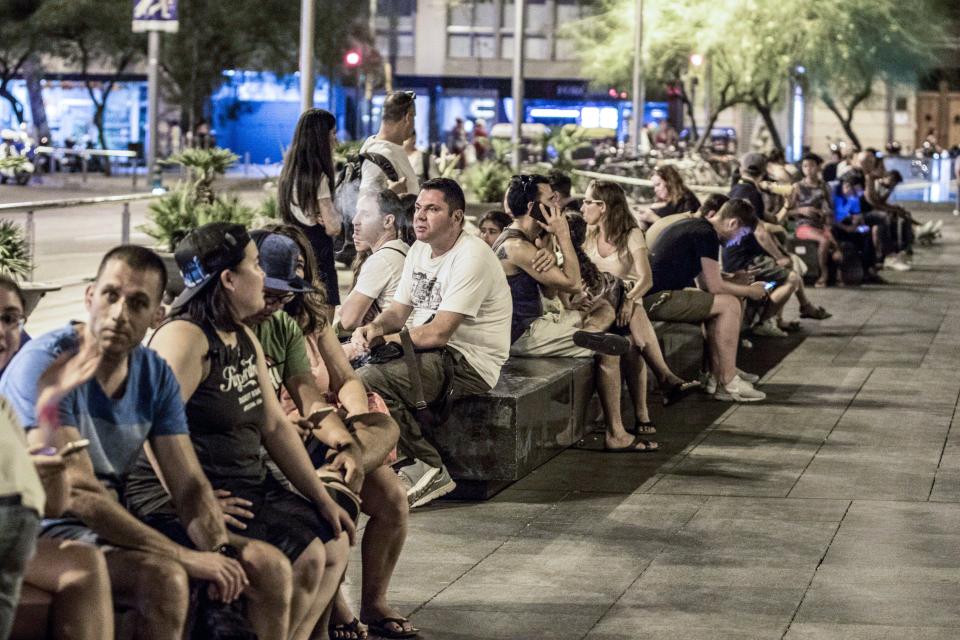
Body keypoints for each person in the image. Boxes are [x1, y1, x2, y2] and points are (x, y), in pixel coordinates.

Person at [0, 245, 298, 640]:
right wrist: (188, 557)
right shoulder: (47, 364)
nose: (119, 313)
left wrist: (219, 553)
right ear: (90, 297)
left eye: (137, 303)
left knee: (267, 566)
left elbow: (189, 485)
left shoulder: (153, 374)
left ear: (157, 315)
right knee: (165, 578)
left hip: (102, 526)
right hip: (41, 528)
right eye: (111, 296)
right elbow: (77, 494)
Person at [121, 227, 356, 640]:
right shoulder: (186, 338)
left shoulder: (241, 333)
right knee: (285, 562)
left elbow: (275, 425)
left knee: (333, 539)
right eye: (256, 266)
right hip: (175, 493)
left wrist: (321, 498)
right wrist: (197, 504)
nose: (265, 277)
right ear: (228, 279)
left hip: (240, 483)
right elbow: (153, 428)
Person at [250, 225, 415, 640]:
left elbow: (340, 382)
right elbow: (273, 410)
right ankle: (335, 606)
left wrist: (354, 424)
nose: (286, 289)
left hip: (325, 427)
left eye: (297, 271)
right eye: (276, 276)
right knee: (342, 488)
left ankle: (370, 604)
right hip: (287, 436)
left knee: (390, 491)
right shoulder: (246, 326)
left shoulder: (304, 318)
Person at [352, 178, 512, 508]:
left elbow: (440, 332)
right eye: (419, 208)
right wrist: (373, 328)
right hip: (430, 351)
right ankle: (384, 463)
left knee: (367, 380)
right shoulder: (419, 251)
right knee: (347, 369)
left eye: (433, 209)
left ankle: (426, 465)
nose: (421, 216)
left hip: (469, 361)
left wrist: (385, 339)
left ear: (457, 217)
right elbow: (397, 312)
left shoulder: (473, 257)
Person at [579, 180, 700, 443]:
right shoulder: (586, 234)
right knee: (631, 338)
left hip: (628, 304)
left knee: (632, 341)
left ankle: (643, 411)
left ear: (603, 206)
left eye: (588, 202)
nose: (582, 206)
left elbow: (646, 279)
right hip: (601, 305)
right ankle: (664, 383)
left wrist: (629, 299)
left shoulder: (631, 234)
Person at [644, 199, 769, 402]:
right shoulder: (706, 235)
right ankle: (728, 382)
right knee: (729, 304)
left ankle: (715, 375)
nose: (739, 241)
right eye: (742, 235)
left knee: (728, 301)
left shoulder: (699, 228)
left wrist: (734, 280)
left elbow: (704, 283)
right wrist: (751, 290)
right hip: (656, 299)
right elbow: (714, 287)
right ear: (733, 224)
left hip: (659, 294)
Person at [495, 174, 629, 358]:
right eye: (551, 199)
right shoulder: (517, 247)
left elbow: (550, 292)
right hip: (522, 335)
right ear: (532, 208)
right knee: (609, 350)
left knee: (604, 307)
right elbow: (573, 284)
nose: (557, 205)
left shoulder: (532, 238)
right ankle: (588, 339)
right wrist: (563, 234)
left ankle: (586, 335)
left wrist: (550, 249)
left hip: (537, 322)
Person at [278, 108, 343, 316]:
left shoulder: (289, 173)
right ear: (321, 138)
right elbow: (333, 227)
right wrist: (332, 217)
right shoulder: (319, 177)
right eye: (333, 134)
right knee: (322, 326)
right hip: (319, 258)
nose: (336, 140)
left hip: (294, 252)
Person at [339, 190, 416, 334]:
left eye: (366, 214)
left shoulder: (382, 259)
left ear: (387, 221)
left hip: (394, 347)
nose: (355, 220)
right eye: (357, 213)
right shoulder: (403, 249)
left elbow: (347, 321)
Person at [786, 153, 841, 288]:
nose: (808, 169)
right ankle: (823, 274)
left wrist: (824, 214)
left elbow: (831, 210)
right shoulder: (797, 187)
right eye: (805, 166)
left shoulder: (824, 187)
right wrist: (801, 211)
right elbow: (787, 211)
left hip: (821, 226)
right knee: (824, 240)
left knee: (838, 254)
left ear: (818, 167)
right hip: (803, 226)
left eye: (812, 165)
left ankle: (837, 275)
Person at [360, 92, 420, 197]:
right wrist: (390, 194)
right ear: (407, 117)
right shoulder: (381, 153)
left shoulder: (377, 145)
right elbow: (364, 206)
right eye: (414, 116)